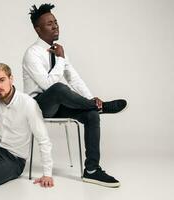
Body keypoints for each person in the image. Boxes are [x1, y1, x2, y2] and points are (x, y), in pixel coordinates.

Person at [22, 3, 127, 188]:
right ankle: (101, 107)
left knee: (91, 115)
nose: (55, 26)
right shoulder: (32, 54)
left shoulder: (59, 50)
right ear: (37, 29)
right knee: (59, 89)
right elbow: (48, 86)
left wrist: (92, 98)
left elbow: (74, 78)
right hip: (38, 106)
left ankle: (92, 170)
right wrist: (60, 59)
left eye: (55, 22)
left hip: (59, 105)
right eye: (49, 24)